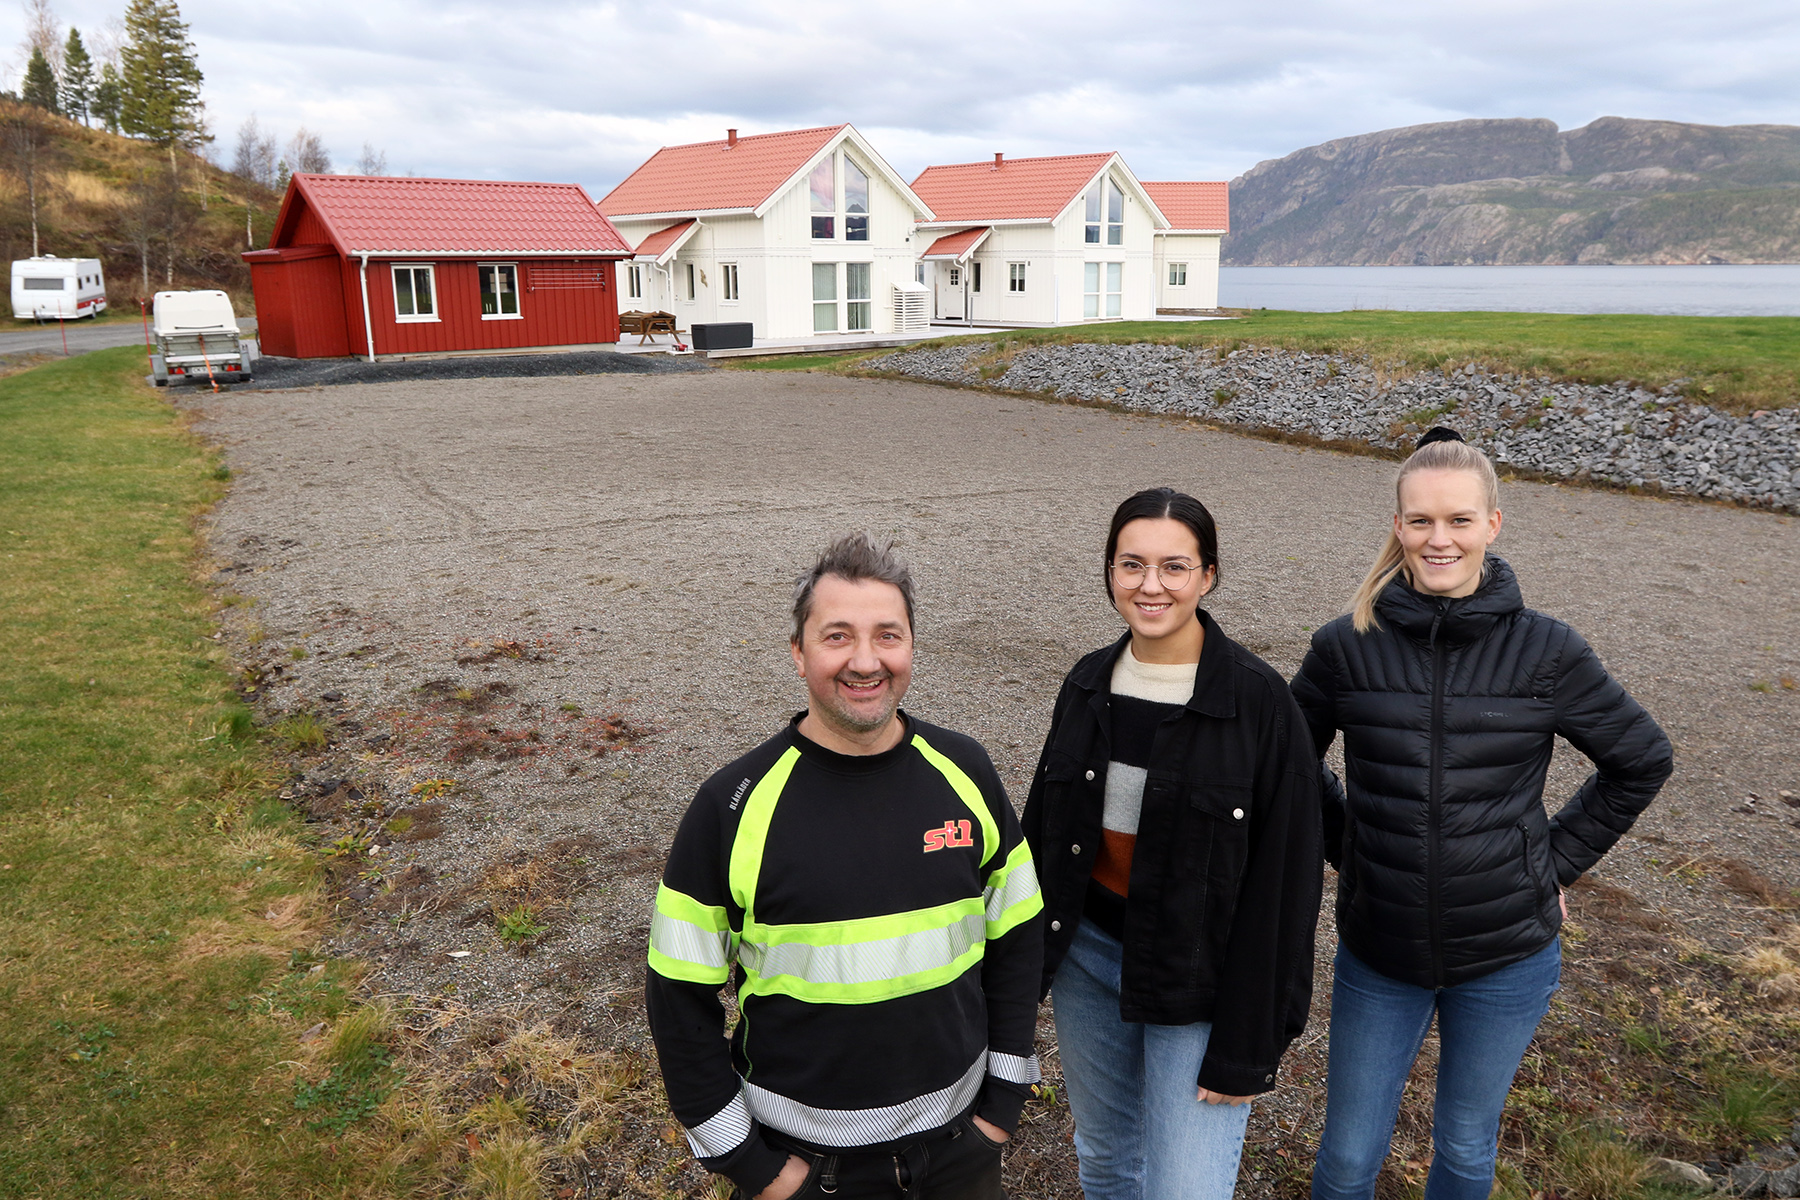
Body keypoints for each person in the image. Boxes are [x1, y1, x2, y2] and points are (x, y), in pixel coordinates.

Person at [1292, 429, 1673, 1200]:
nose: (1440, 539)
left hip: (1508, 958)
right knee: (1345, 1161)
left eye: (1459, 520)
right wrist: (1353, 851)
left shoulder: (1549, 652)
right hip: (1379, 956)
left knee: (1465, 1153)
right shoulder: (1345, 647)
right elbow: (1289, 767)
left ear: (1492, 526)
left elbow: (1640, 761)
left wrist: (1551, 863)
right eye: (1421, 521)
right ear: (1397, 526)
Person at [646, 532, 1045, 1200]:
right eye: (838, 637)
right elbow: (678, 999)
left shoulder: (966, 771)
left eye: (887, 635)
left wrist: (1002, 1105)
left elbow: (1019, 935)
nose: (866, 661)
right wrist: (752, 1168)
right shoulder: (733, 805)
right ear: (798, 654)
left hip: (961, 1156)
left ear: (912, 646)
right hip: (807, 1172)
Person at [1022, 487, 1324, 1200]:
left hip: (1201, 980)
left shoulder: (1258, 702)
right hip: (1089, 959)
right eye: (1131, 565)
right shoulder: (1088, 682)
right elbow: (1041, 838)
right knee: (1105, 1159)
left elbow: (1286, 883)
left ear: (1207, 575)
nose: (1150, 586)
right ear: (1109, 571)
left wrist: (1248, 1044)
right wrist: (1015, 976)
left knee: (1186, 1186)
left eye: (1174, 567)